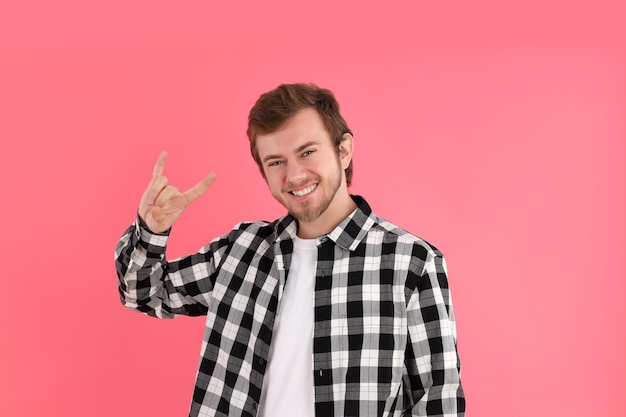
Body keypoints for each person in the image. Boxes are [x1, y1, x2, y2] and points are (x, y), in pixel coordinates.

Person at [115, 83, 465, 417]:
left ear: (343, 150)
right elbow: (144, 293)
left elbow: (436, 401)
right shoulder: (242, 251)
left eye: (307, 152)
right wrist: (151, 231)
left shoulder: (411, 263)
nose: (294, 175)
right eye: (276, 162)